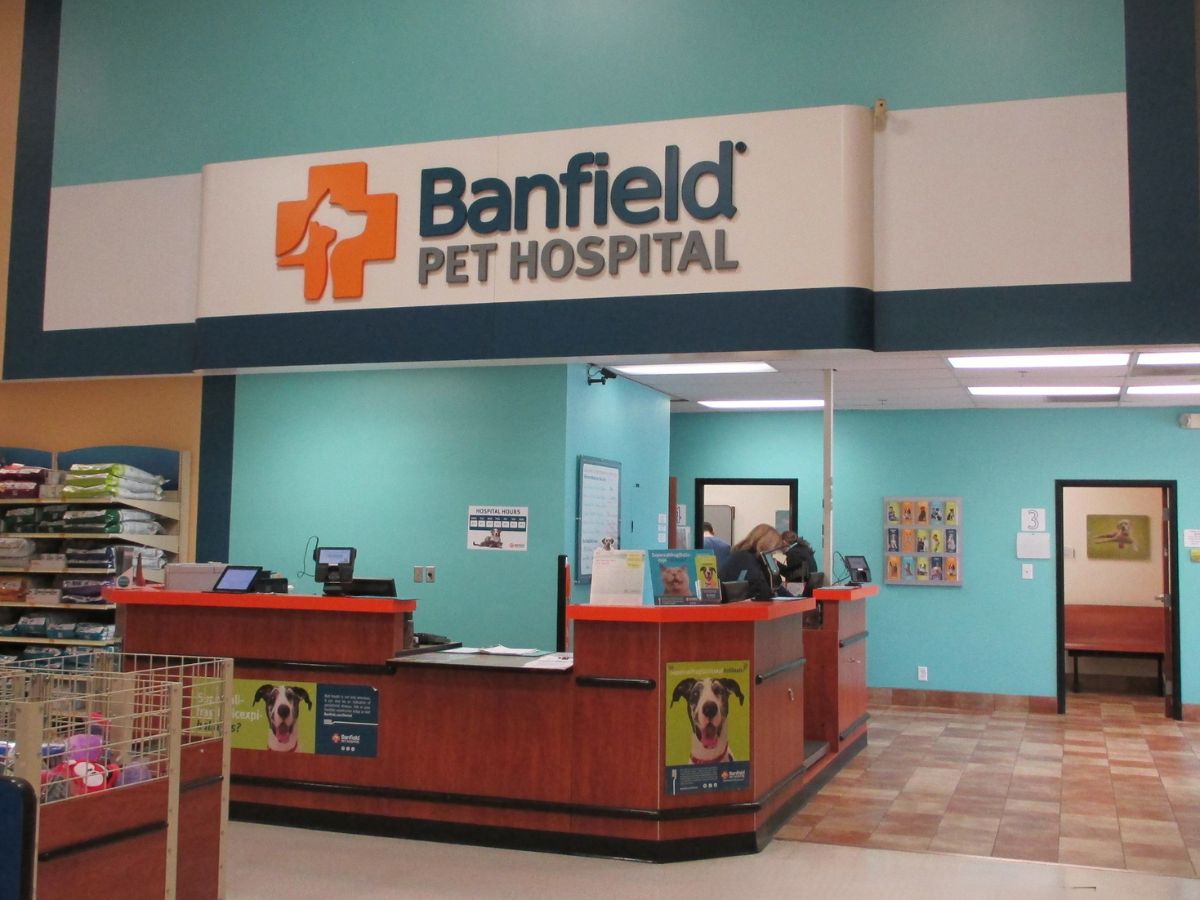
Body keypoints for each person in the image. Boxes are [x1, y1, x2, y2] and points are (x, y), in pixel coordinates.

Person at [718, 523, 788, 599]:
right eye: (773, 548)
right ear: (766, 544)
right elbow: (761, 589)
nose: (773, 553)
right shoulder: (749, 560)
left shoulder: (739, 556)